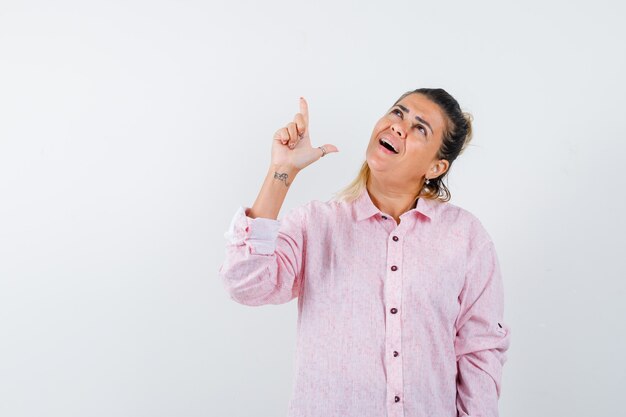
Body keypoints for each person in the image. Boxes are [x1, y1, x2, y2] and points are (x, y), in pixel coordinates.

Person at [218, 88, 511, 417]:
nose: (399, 126)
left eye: (420, 128)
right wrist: (281, 172)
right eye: (398, 113)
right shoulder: (316, 224)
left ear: (436, 166)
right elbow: (245, 284)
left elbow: (480, 351)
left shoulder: (466, 238)